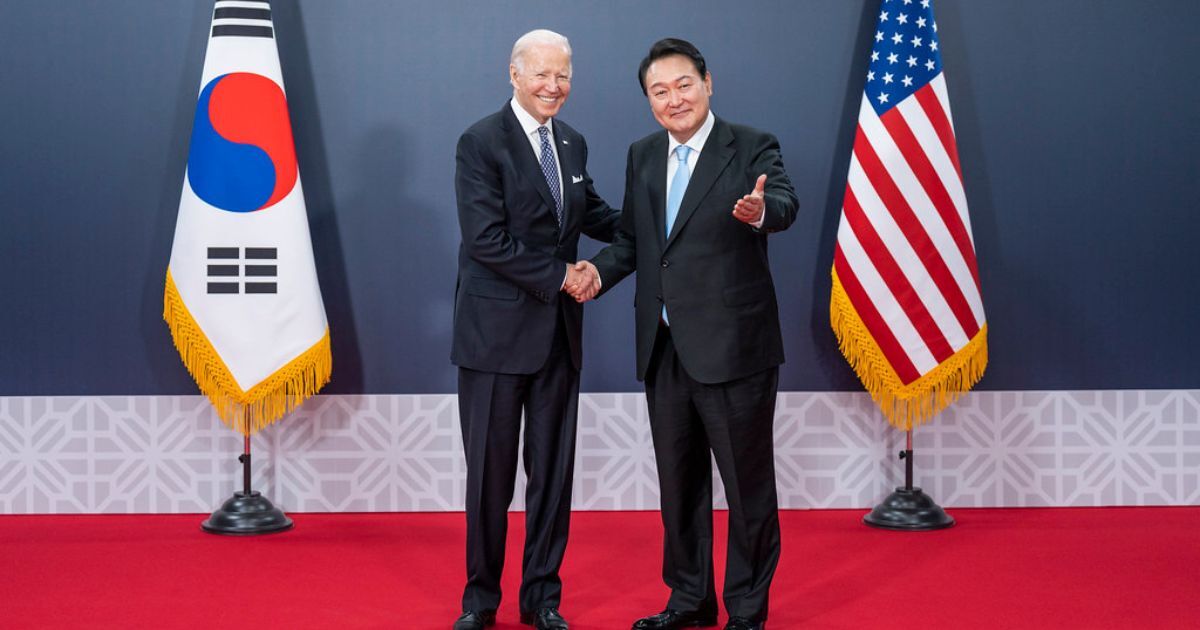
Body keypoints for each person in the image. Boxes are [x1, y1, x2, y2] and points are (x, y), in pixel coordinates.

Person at [571, 38, 798, 630]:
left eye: (683, 85)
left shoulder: (749, 144)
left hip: (733, 348)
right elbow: (637, 243)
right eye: (659, 91)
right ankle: (689, 600)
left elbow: (783, 200)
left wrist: (760, 213)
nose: (674, 99)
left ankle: (746, 611)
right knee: (679, 485)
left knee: (747, 489)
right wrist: (599, 271)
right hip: (665, 346)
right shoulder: (643, 154)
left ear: (708, 83)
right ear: (649, 101)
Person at [451, 29, 619, 630]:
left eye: (564, 75)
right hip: (494, 339)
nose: (555, 86)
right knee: (490, 478)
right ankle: (480, 602)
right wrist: (564, 277)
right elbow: (485, 239)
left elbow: (592, 214)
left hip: (558, 340)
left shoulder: (571, 143)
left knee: (553, 476)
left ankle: (542, 599)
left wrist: (659, 220)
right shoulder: (480, 141)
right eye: (543, 75)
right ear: (515, 74)